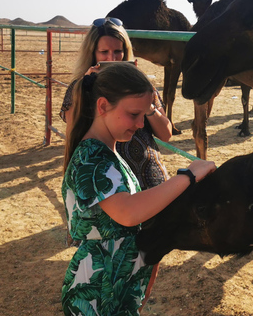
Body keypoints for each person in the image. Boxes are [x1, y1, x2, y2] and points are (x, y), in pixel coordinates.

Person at [61, 62, 216, 316]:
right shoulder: (92, 158)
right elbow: (128, 212)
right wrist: (187, 176)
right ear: (102, 106)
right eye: (134, 114)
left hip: (114, 284)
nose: (141, 123)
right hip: (97, 292)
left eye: (144, 115)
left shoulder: (107, 151)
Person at [61, 17, 173, 188]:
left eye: (118, 51)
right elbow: (74, 135)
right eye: (104, 52)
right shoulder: (80, 87)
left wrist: (144, 102)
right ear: (92, 53)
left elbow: (166, 134)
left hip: (149, 176)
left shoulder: (141, 84)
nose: (112, 58)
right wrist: (86, 87)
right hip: (108, 178)